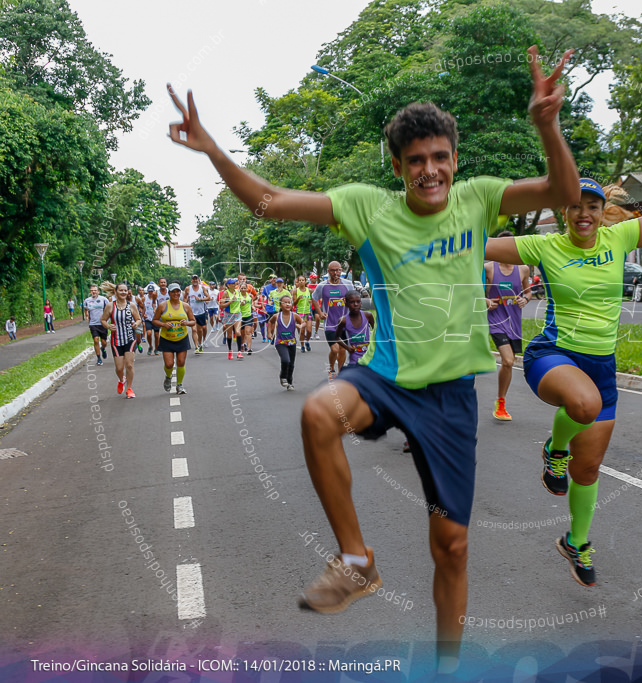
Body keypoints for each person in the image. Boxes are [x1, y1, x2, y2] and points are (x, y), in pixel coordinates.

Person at [166, 43, 577, 671]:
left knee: (453, 547)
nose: (430, 170)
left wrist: (547, 124)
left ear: (455, 160)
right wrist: (215, 149)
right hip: (384, 376)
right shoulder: (367, 207)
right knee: (317, 413)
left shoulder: (479, 198)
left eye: (440, 158)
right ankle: (356, 560)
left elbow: (564, 191)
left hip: (448, 400)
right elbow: (268, 202)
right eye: (416, 161)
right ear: (398, 166)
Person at [483, 152, 642, 588]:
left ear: (602, 213)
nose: (584, 214)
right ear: (564, 211)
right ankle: (554, 449)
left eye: (593, 206)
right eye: (576, 205)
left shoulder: (620, 239)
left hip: (601, 367)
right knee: (583, 404)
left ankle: (575, 540)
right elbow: (471, 244)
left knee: (588, 471)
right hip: (553, 355)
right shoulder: (543, 245)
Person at [484, 230, 531, 421]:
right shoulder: (488, 268)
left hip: (514, 322)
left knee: (508, 364)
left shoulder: (523, 269)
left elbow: (528, 292)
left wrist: (525, 300)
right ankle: (501, 404)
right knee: (508, 360)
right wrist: (486, 301)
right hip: (495, 321)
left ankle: (500, 402)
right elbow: (473, 290)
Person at [100, 281, 144, 398]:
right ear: (115, 292)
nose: (123, 292)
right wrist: (108, 326)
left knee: (129, 365)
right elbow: (103, 320)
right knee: (119, 368)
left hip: (130, 338)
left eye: (125, 290)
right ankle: (121, 379)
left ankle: (129, 389)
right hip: (116, 340)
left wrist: (136, 324)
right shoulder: (110, 306)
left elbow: (139, 319)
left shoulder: (131, 305)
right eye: (121, 290)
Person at [153, 283, 196, 394]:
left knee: (181, 362)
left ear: (180, 292)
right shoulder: (163, 305)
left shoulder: (185, 306)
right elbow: (155, 320)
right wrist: (163, 325)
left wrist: (186, 323)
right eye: (173, 292)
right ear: (169, 293)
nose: (176, 294)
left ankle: (179, 385)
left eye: (177, 291)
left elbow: (193, 321)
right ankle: (168, 377)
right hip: (166, 338)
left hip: (182, 338)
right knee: (169, 364)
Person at [310, 261, 349, 379]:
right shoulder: (322, 286)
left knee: (342, 350)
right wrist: (320, 312)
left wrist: (348, 300)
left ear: (341, 270)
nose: (335, 273)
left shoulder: (348, 284)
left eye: (338, 270)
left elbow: (354, 298)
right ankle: (332, 368)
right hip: (330, 324)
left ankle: (341, 373)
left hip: (344, 324)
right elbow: (314, 298)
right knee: (334, 349)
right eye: (333, 270)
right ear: (328, 271)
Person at [273, 293, 305, 390]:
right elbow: (270, 322)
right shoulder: (277, 316)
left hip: (292, 343)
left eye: (289, 302)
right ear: (280, 305)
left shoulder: (294, 315)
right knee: (285, 360)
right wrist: (270, 333)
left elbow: (303, 322)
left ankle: (290, 383)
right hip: (281, 343)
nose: (287, 304)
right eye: (285, 303)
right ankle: (283, 376)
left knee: (291, 364)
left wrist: (300, 326)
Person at [339, 290, 374, 368]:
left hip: (369, 357)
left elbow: (377, 333)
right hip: (354, 359)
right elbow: (336, 338)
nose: (356, 304)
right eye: (352, 302)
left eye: (358, 302)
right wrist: (347, 348)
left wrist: (373, 345)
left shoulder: (368, 315)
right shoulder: (343, 320)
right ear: (346, 304)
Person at [84, 285, 110, 366]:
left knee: (103, 341)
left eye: (95, 290)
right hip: (93, 324)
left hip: (102, 323)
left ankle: (103, 348)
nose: (93, 292)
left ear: (98, 291)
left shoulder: (103, 299)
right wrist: (87, 315)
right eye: (92, 290)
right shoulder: (87, 300)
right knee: (96, 340)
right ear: (90, 292)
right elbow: (86, 309)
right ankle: (98, 358)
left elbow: (109, 309)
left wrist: (107, 319)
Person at [186, 274, 212, 353]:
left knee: (201, 329)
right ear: (191, 280)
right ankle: (196, 347)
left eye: (196, 279)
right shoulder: (188, 289)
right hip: (192, 313)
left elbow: (208, 298)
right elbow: (184, 300)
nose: (195, 280)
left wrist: (201, 299)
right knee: (194, 329)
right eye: (193, 279)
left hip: (201, 312)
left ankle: (200, 343)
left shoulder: (202, 288)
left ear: (198, 280)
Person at [292, 274, 314, 353]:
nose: (301, 281)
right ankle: (302, 346)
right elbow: (294, 303)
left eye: (303, 280)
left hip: (308, 312)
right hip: (300, 313)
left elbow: (315, 299)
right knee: (301, 331)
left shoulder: (309, 290)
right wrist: (298, 298)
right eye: (300, 280)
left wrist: (312, 302)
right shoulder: (295, 291)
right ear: (298, 281)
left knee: (309, 330)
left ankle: (307, 341)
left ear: (305, 281)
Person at [221, 278, 242, 358]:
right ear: (228, 285)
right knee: (229, 335)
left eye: (235, 283)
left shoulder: (237, 292)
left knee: (238, 332)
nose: (234, 284)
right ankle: (230, 351)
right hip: (228, 314)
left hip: (237, 314)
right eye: (232, 283)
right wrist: (230, 301)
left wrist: (242, 302)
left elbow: (240, 300)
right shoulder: (226, 293)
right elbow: (221, 305)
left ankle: (239, 352)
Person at [267, 276, 290, 341]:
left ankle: (280, 338)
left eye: (280, 283)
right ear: (276, 284)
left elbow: (290, 301)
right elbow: (269, 300)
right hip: (276, 311)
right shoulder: (272, 292)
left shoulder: (286, 292)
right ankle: (273, 335)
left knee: (281, 326)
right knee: (274, 326)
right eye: (278, 283)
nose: (279, 284)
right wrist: (270, 302)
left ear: (283, 284)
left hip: (284, 311)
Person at [142, 284, 161, 355]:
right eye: (149, 291)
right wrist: (143, 314)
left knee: (156, 335)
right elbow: (141, 307)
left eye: (152, 291)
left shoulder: (157, 299)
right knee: (149, 333)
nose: (150, 293)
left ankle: (156, 348)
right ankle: (150, 346)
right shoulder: (144, 298)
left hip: (155, 319)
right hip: (148, 319)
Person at [308, 272, 321, 340]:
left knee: (318, 318)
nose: (315, 279)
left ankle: (316, 332)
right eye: (314, 278)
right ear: (310, 279)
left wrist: (321, 299)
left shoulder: (318, 286)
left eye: (316, 278)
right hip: (309, 305)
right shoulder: (307, 286)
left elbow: (320, 294)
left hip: (317, 305)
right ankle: (310, 333)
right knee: (309, 320)